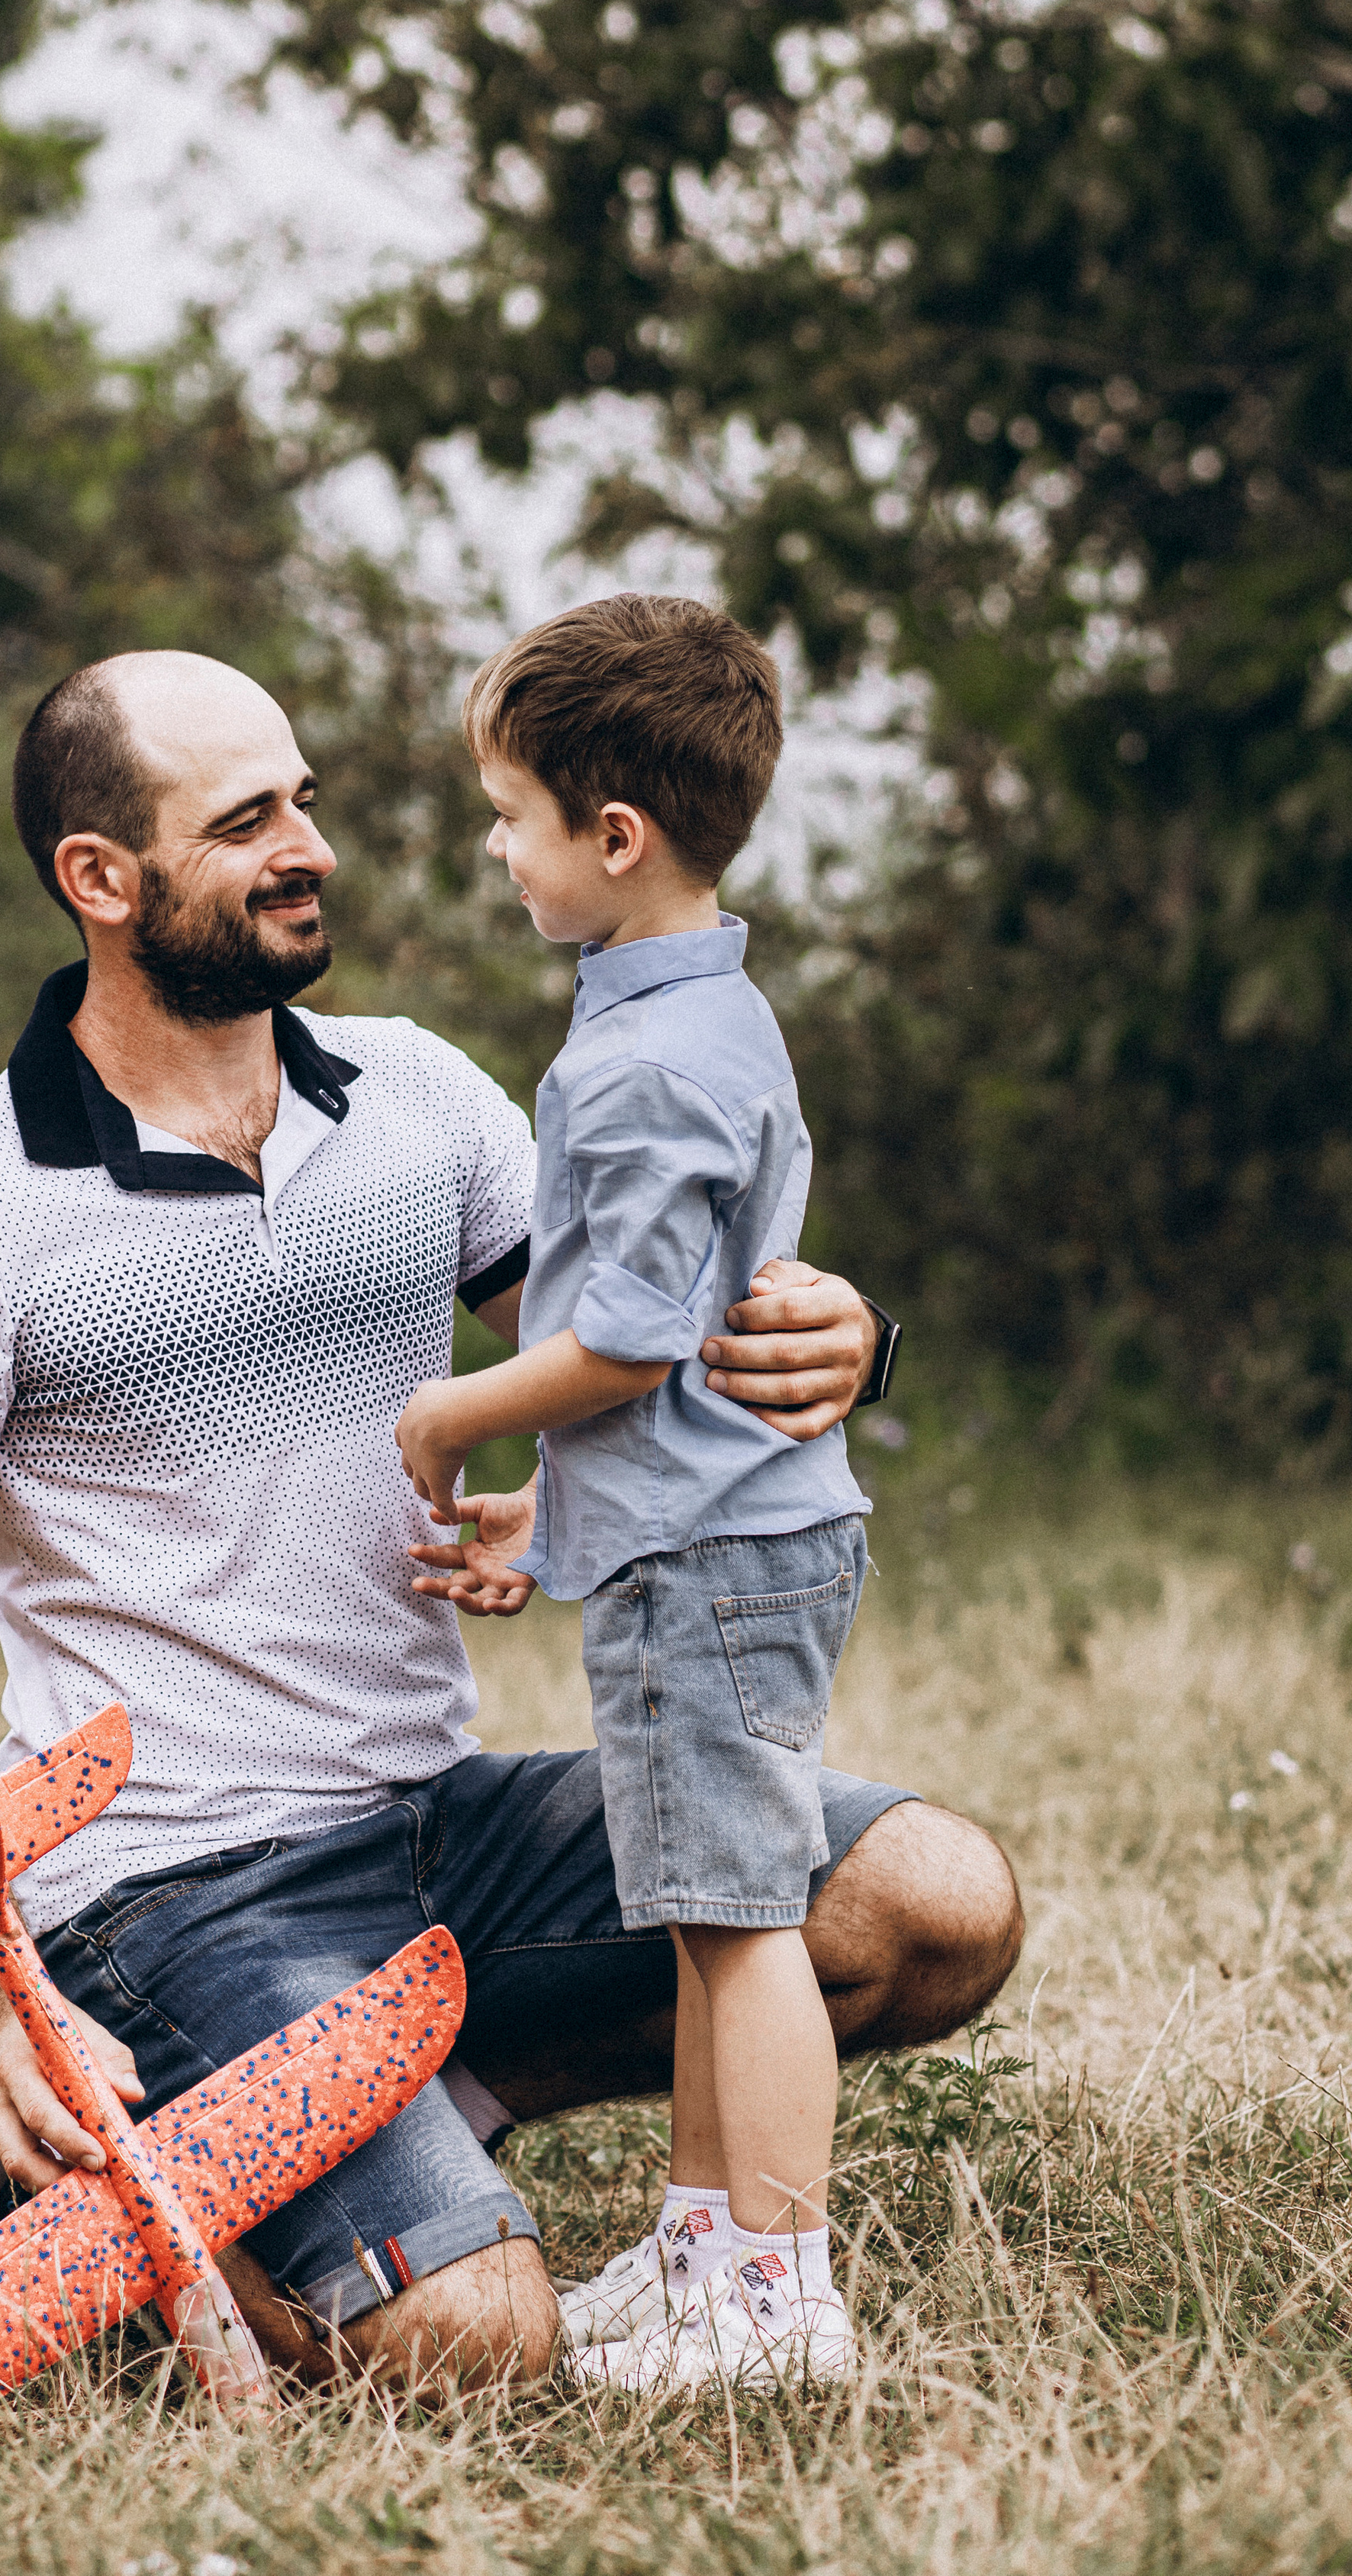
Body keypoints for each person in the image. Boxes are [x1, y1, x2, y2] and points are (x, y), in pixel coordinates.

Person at [0, 646, 1022, 2396]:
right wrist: (2, 2004)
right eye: (245, 822)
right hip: (173, 1891)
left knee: (932, 1904)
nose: (307, 844)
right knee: (476, 2343)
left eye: (302, 799)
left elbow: (641, 1333)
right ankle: (67, 2172)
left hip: (442, 1833)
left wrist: (853, 1335)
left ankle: (433, 2101)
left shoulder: (413, 1097)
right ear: (101, 878)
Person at [398, 593, 873, 2391]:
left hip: (722, 1557)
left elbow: (628, 1337)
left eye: (509, 814)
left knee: (743, 1925)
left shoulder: (649, 1057)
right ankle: (700, 2255)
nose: (491, 846)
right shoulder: (687, 1014)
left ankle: (767, 2293)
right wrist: (565, 1513)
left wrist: (458, 1415)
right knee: (697, 1903)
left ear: (615, 836)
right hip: (699, 1533)